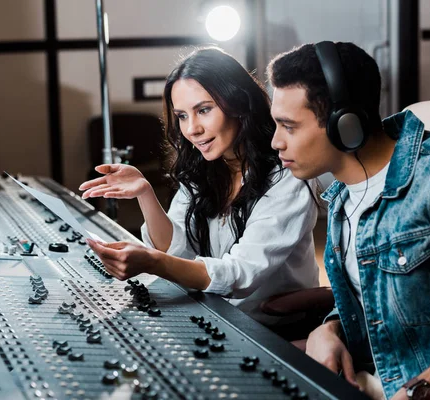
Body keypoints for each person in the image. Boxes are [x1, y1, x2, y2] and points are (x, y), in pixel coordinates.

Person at [268, 41, 430, 399]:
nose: (275, 142)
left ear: (344, 125)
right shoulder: (343, 197)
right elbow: (377, 294)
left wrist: (422, 391)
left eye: (289, 127)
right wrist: (330, 329)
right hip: (375, 381)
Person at [79, 47, 319, 325]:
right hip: (215, 314)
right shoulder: (204, 167)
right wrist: (145, 193)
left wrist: (153, 262)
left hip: (273, 328)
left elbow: (240, 274)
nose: (192, 129)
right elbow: (180, 250)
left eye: (203, 110)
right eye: (182, 116)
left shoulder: (287, 174)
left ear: (239, 103)